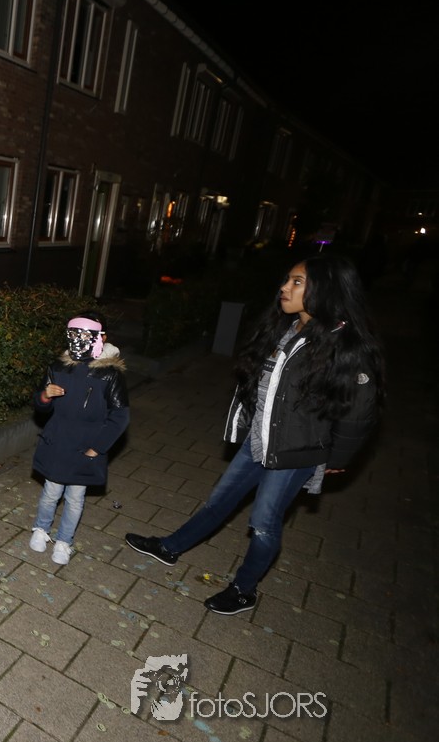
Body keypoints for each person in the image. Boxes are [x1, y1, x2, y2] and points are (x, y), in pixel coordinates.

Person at [126, 252, 384, 615]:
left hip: (296, 452)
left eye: (297, 282)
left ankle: (244, 590)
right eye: (287, 279)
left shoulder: (344, 343)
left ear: (325, 290)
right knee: (219, 501)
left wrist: (338, 458)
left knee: (263, 523)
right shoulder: (287, 327)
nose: (284, 287)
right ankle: (170, 548)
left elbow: (360, 410)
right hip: (261, 439)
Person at [29, 311, 130, 565]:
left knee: (74, 499)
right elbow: (40, 405)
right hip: (58, 441)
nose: (78, 340)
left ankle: (64, 541)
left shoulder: (109, 374)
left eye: (85, 335)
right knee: (50, 492)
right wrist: (45, 396)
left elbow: (120, 416)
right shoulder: (59, 367)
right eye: (73, 334)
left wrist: (97, 447)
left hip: (85, 446)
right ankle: (41, 528)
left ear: (101, 337)